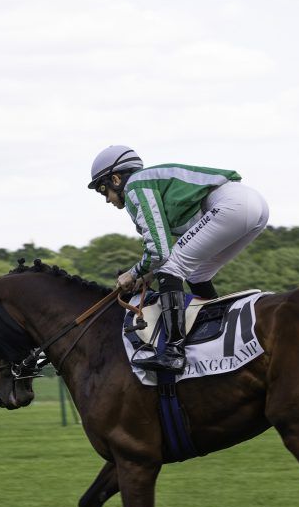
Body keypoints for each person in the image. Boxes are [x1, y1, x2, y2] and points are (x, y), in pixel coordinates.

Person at [89, 145, 269, 373]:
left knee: (171, 269)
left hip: (232, 205)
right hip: (254, 206)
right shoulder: (148, 182)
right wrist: (148, 274)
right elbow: (168, 250)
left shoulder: (134, 186)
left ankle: (174, 353)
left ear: (116, 179)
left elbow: (159, 251)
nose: (107, 199)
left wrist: (133, 273)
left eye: (103, 190)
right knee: (197, 274)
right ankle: (214, 335)